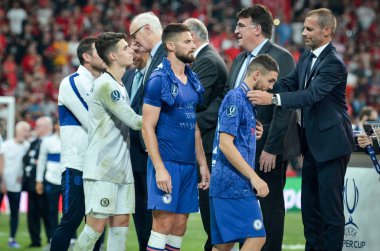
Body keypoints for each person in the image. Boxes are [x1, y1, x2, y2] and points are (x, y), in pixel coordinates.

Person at [248, 8, 356, 251]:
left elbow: (311, 95)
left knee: (330, 212)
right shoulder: (307, 57)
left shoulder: (334, 64)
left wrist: (273, 99)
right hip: (312, 146)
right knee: (310, 211)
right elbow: (290, 82)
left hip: (332, 146)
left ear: (326, 31)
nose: (303, 32)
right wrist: (266, 85)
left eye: (309, 28)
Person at [226, 5, 299, 250]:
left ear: (257, 29)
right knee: (243, 212)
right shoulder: (238, 60)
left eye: (241, 26)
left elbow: (285, 107)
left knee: (269, 209)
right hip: (239, 149)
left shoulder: (281, 57)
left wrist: (271, 148)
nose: (236, 31)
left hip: (266, 148)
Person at [142, 23, 210, 251]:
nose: (193, 45)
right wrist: (159, 167)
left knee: (180, 225)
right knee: (163, 223)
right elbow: (147, 127)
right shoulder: (159, 79)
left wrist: (202, 163)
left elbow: (194, 125)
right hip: (167, 163)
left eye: (193, 41)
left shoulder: (192, 79)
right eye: (187, 42)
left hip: (189, 164)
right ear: (171, 45)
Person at [74, 32, 142, 251]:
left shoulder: (120, 85)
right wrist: (170, 117)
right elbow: (134, 121)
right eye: (125, 48)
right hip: (102, 168)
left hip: (121, 167)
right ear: (112, 56)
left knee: (121, 224)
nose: (131, 50)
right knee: (95, 227)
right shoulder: (106, 85)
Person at [210, 54, 278, 251]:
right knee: (257, 236)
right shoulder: (235, 97)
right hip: (232, 183)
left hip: (232, 183)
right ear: (257, 75)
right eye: (270, 80)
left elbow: (233, 137)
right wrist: (254, 177)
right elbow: (225, 144)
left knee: (224, 245)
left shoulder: (248, 102)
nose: (271, 86)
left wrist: (252, 133)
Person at [50, 37, 106, 251]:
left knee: (97, 223)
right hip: (78, 164)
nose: (104, 55)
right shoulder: (72, 81)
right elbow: (92, 120)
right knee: (71, 221)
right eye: (98, 51)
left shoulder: (103, 83)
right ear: (86, 56)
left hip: (100, 164)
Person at [183, 17, 229, 251]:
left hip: (209, 142)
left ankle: (215, 246)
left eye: (183, 39)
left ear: (192, 37)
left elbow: (193, 99)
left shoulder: (208, 60)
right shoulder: (205, 58)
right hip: (205, 139)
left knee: (209, 203)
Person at [122, 42, 151, 251]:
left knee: (151, 210)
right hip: (128, 153)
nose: (133, 53)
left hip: (148, 150)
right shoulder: (128, 76)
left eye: (137, 49)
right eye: (130, 50)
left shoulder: (154, 74)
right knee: (137, 209)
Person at [22, 116, 53, 248]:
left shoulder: (52, 142)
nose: (35, 129)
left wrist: (37, 162)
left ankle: (51, 239)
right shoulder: (34, 142)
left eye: (38, 126)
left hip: (46, 184)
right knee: (32, 215)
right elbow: (26, 159)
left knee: (48, 214)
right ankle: (35, 241)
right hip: (31, 184)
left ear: (47, 127)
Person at [0, 121, 31, 248]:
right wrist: (2, 181)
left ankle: (12, 238)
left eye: (28, 130)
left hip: (16, 186)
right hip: (2, 183)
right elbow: (1, 162)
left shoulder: (27, 146)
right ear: (17, 131)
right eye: (25, 130)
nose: (27, 133)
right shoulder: (6, 145)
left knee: (14, 213)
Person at [35, 120, 62, 248]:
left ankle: (72, 238)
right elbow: (41, 161)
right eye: (59, 124)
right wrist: (39, 180)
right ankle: (53, 239)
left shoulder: (73, 139)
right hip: (51, 179)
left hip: (68, 180)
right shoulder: (47, 141)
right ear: (56, 126)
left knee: (70, 212)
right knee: (51, 211)